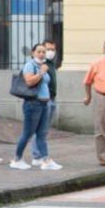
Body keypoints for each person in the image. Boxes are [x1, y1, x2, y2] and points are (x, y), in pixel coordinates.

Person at [11, 43, 61, 170]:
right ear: (33, 53)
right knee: (27, 133)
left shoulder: (42, 66)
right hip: (33, 103)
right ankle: (17, 159)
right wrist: (41, 72)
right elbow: (29, 82)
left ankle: (46, 160)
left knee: (41, 134)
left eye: (44, 52)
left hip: (44, 103)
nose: (42, 54)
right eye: (39, 52)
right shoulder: (30, 65)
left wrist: (42, 71)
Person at [31, 39, 59, 167]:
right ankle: (37, 156)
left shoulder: (51, 63)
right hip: (42, 100)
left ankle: (41, 155)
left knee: (44, 130)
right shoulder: (39, 64)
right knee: (39, 130)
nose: (50, 52)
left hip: (51, 98)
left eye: (53, 49)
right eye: (48, 49)